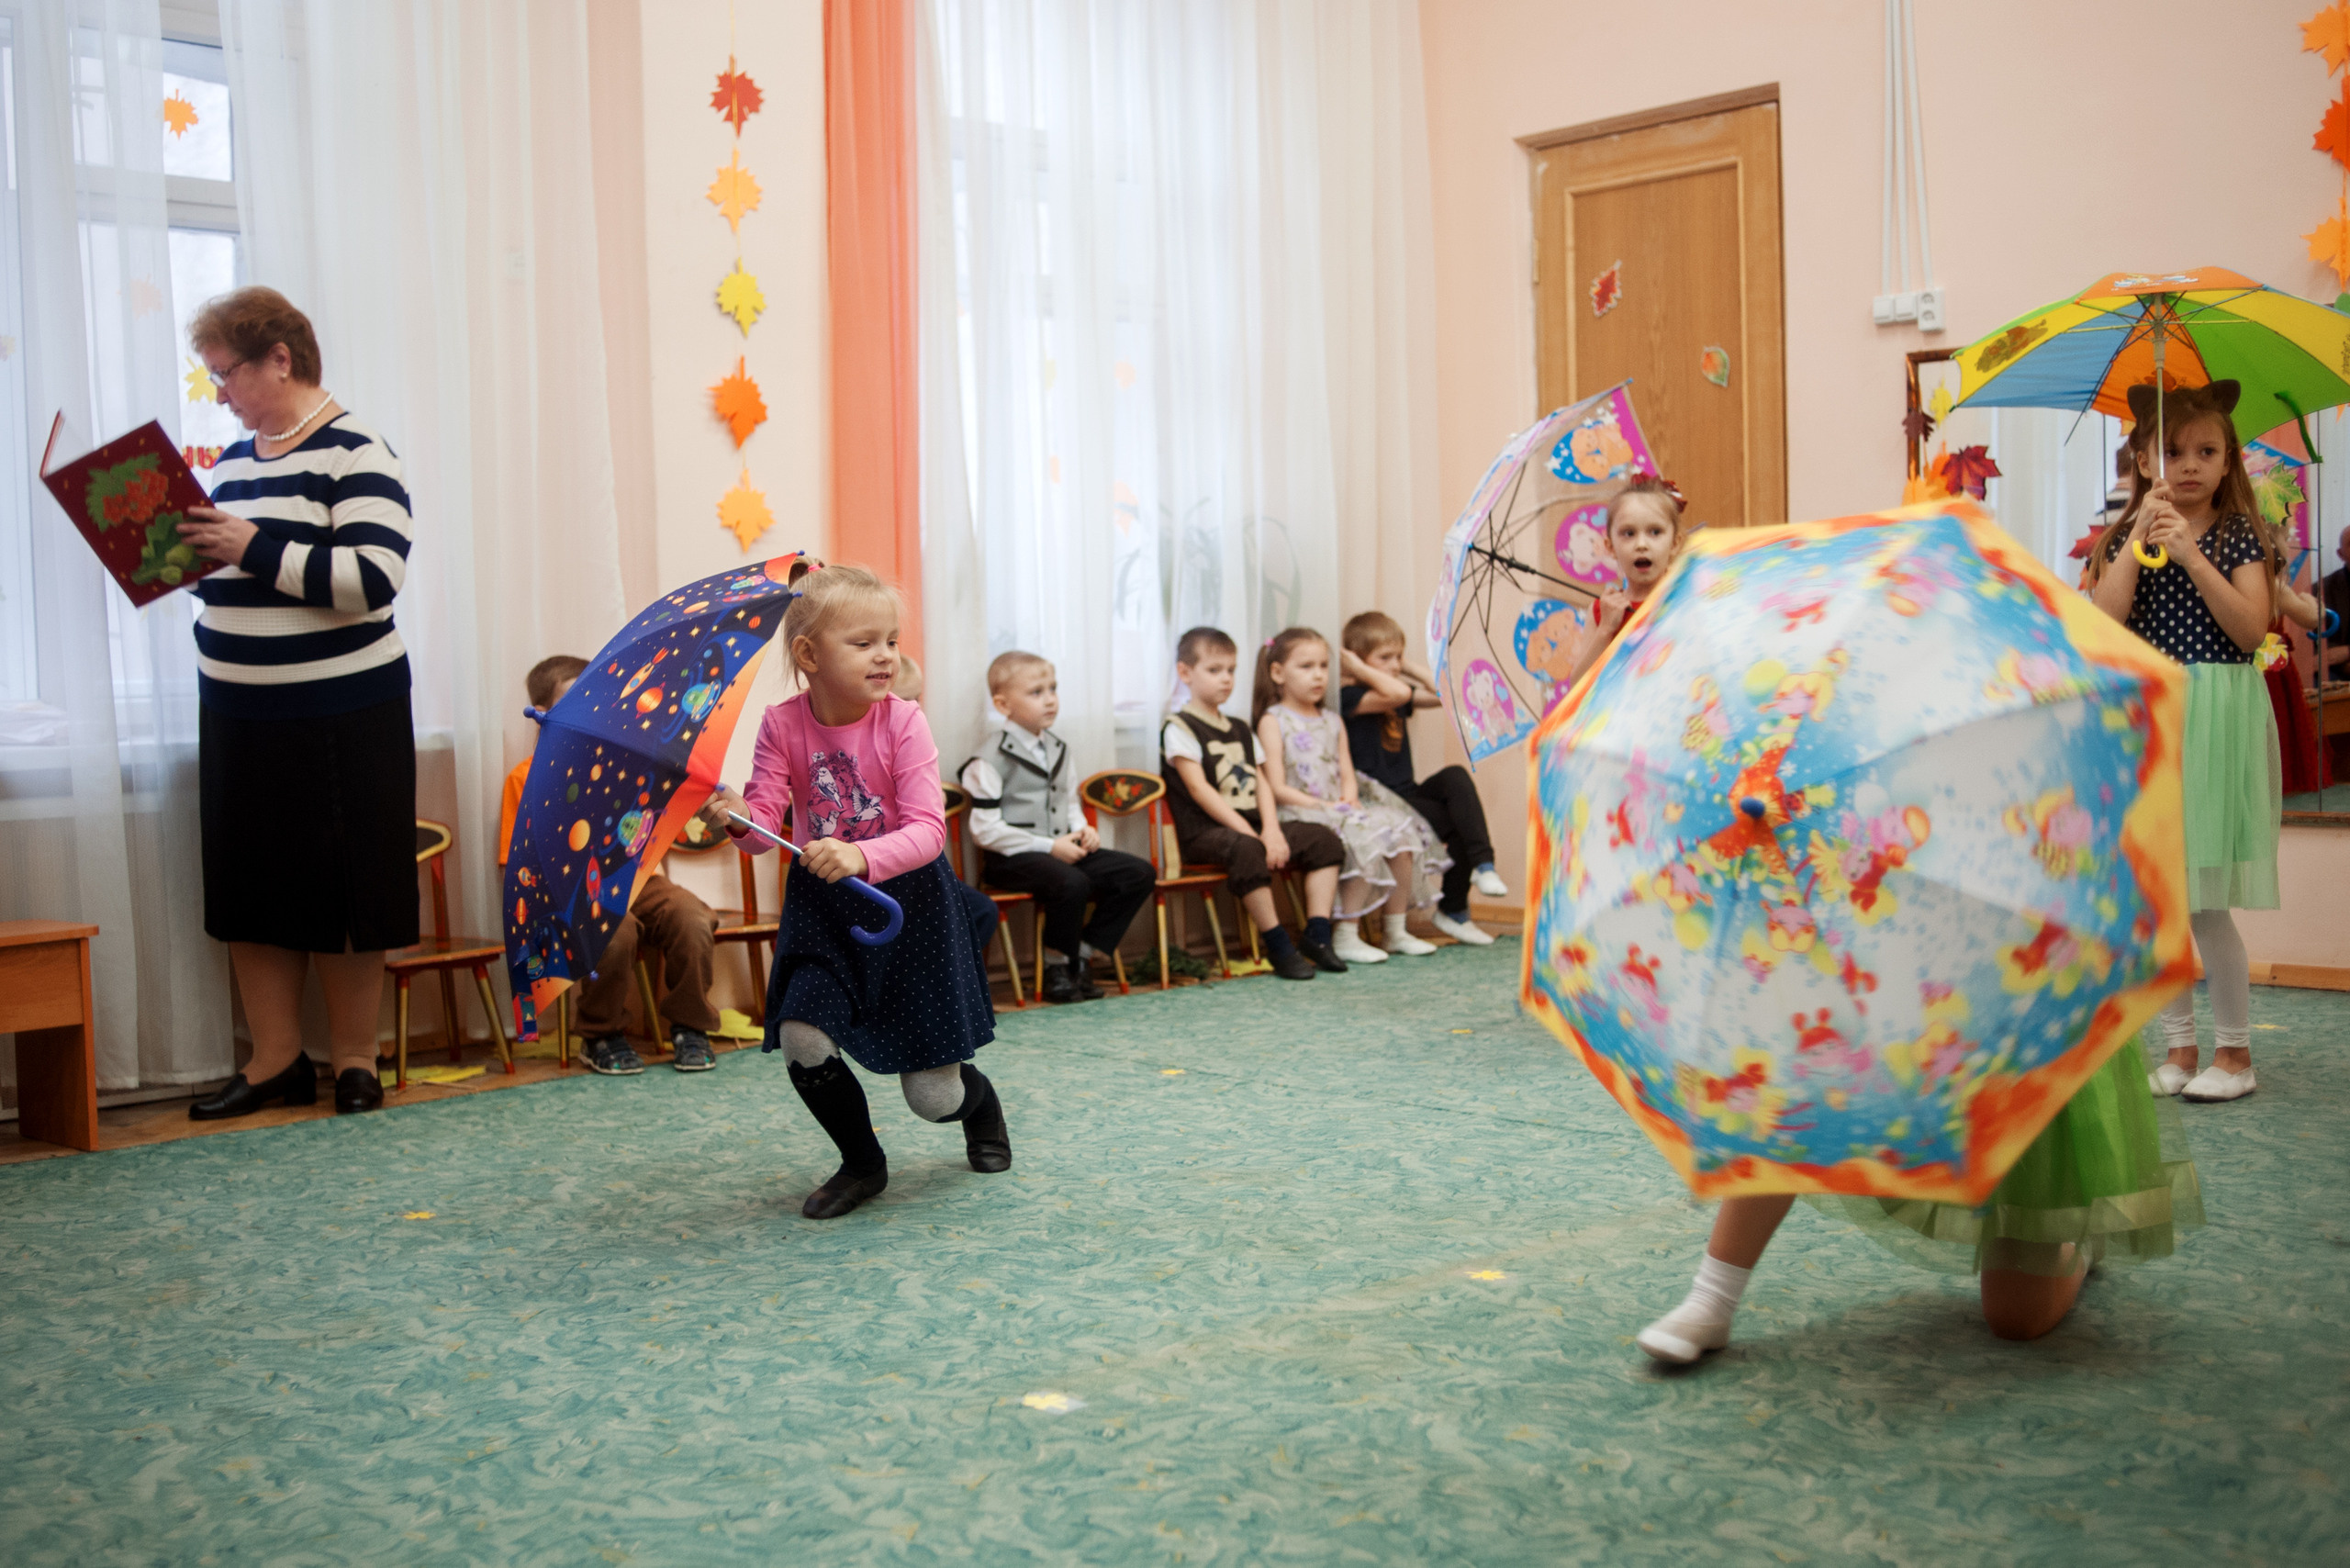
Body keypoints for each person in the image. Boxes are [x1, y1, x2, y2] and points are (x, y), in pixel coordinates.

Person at [699, 564, 1007, 1220]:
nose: (886, 656)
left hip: (909, 905)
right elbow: (763, 828)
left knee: (932, 1100)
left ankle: (980, 1106)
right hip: (823, 908)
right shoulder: (782, 724)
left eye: (891, 641)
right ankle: (862, 1163)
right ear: (808, 655)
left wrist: (861, 854)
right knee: (803, 1035)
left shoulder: (904, 722)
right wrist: (739, 821)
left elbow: (928, 833)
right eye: (864, 643)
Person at [177, 286, 414, 1120]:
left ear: (281, 358)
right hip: (238, 711)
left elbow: (370, 581)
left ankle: (355, 1059)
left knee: (348, 891)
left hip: (345, 713)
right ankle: (275, 1060)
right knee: (251, 889)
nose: (219, 392)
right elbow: (242, 576)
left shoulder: (359, 450)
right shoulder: (234, 461)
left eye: (226, 373)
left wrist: (249, 545)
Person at [2087, 382, 2278, 1104]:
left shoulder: (2235, 535)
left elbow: (2251, 629)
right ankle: (2179, 1045)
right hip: (2152, 716)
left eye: (2205, 451)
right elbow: (2106, 624)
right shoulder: (2128, 536)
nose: (2189, 465)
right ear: (2142, 458)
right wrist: (2141, 540)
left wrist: (2192, 555)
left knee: (2202, 901)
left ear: (2228, 460)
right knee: (2159, 896)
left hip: (2214, 714)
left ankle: (2235, 1054)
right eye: (2171, 451)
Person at [501, 655, 723, 1075]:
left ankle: (690, 1028)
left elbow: (653, 827)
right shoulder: (525, 778)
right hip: (573, 890)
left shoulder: (625, 765)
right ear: (543, 715)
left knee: (692, 918)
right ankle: (601, 1034)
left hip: (639, 879)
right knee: (613, 934)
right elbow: (517, 867)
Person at [959, 651, 1155, 1003]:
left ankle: (1083, 952)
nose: (1050, 699)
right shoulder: (987, 759)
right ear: (1003, 705)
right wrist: (1050, 847)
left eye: (1053, 689)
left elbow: (1069, 803)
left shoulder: (1059, 749)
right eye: (1036, 692)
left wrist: (1082, 830)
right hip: (1013, 856)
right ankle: (1056, 969)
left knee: (1137, 872)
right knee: (1071, 882)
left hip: (1060, 846)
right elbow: (985, 830)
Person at [1162, 626, 1348, 980]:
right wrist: (1253, 833)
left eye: (1231, 670)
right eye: (1214, 670)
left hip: (1253, 826)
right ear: (1185, 673)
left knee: (1323, 840)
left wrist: (1273, 829)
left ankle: (1318, 936)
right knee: (1246, 847)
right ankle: (1278, 946)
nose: (1226, 680)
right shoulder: (1179, 727)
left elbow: (1262, 781)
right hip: (1206, 833)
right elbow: (1201, 791)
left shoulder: (1239, 727)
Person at [1254, 627, 1446, 965]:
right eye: (1307, 666)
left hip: (1338, 805)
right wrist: (1327, 806)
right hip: (1300, 810)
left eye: (1324, 666)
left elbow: (1346, 772)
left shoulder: (1332, 720)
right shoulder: (1274, 720)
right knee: (1361, 833)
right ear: (1277, 673)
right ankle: (1345, 932)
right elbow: (1277, 787)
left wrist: (1350, 799)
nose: (1318, 675)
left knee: (1400, 828)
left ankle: (1395, 928)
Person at [1337, 613, 1508, 947]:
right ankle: (1455, 909)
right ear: (1357, 660)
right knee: (1458, 823)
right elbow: (1398, 693)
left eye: (1397, 656)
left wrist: (1407, 665)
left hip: (1408, 793)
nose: (1394, 664)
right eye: (1384, 658)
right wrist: (1358, 670)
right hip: (1380, 799)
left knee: (1456, 779)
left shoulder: (1395, 693)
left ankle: (1482, 866)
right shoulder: (1351, 696)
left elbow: (1450, 695)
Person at [1562, 476, 1686, 690]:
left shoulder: (1684, 596)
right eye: (1628, 534)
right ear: (1609, 546)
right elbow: (1577, 688)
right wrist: (1605, 630)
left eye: (1655, 532)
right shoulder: (1603, 610)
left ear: (1675, 543)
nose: (1641, 544)